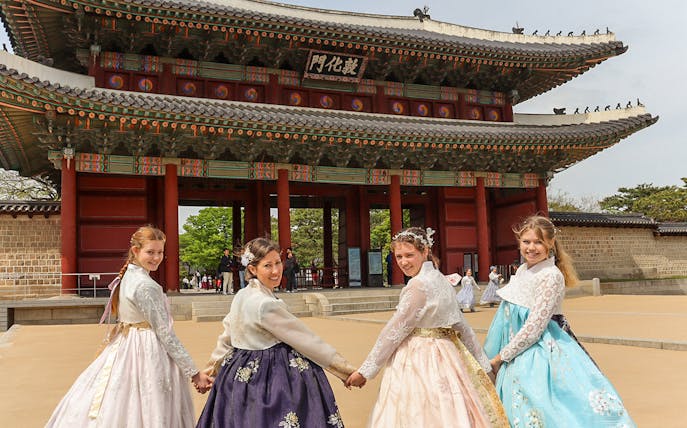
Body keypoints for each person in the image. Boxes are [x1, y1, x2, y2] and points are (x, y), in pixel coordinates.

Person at [46, 225, 213, 427]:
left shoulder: (127, 277)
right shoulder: (145, 285)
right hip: (146, 346)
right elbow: (165, 334)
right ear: (136, 251)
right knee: (148, 401)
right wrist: (194, 372)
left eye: (160, 252)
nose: (156, 258)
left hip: (126, 343)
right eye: (150, 252)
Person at [346, 227, 508, 427]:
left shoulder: (418, 285)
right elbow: (464, 328)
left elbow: (393, 332)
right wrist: (483, 364)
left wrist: (365, 372)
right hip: (449, 355)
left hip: (418, 357)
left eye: (409, 255)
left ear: (424, 252)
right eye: (398, 256)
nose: (403, 262)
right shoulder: (442, 280)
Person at [484, 215, 636, 427]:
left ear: (550, 244)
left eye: (538, 242)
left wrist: (501, 357)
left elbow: (534, 327)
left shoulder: (551, 275)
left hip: (539, 352)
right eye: (526, 241)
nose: (531, 248)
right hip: (515, 350)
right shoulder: (522, 270)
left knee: (547, 410)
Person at [196, 237, 356, 428]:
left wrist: (211, 372)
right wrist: (346, 370)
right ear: (252, 269)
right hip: (268, 378)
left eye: (278, 263)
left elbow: (226, 339)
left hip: (237, 374)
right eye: (267, 266)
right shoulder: (266, 304)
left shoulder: (241, 295)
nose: (276, 271)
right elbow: (306, 340)